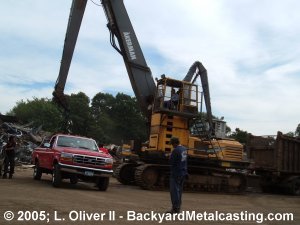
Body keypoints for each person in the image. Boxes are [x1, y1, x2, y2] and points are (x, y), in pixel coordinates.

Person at [168, 136, 188, 214]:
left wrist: (169, 156)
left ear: (175, 143)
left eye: (172, 144)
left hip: (176, 173)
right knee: (179, 191)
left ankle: (175, 209)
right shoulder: (184, 149)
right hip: (183, 172)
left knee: (174, 191)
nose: (172, 146)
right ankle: (178, 207)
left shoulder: (175, 150)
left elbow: (171, 162)